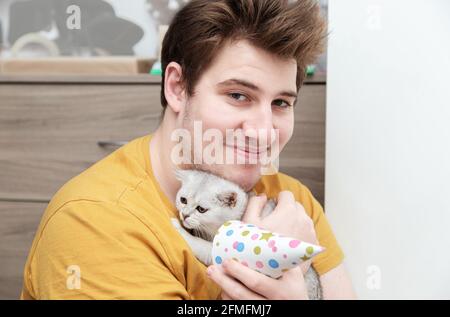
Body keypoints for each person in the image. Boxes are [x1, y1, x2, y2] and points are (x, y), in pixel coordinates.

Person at [21, 0, 355, 299]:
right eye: (238, 95)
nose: (263, 132)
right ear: (177, 88)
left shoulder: (289, 202)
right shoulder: (94, 223)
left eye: (281, 102)